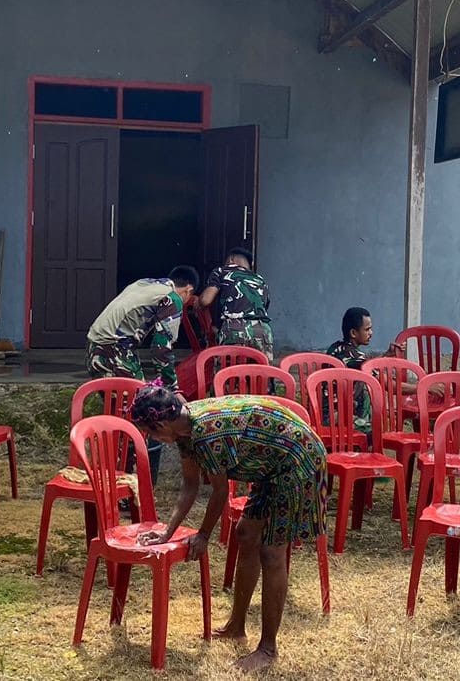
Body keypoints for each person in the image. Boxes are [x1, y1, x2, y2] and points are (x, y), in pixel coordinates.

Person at [131, 386, 327, 674]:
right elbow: (190, 485)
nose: (151, 438)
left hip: (298, 463)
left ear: (160, 424)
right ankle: (237, 626)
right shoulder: (183, 429)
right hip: (271, 468)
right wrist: (167, 533)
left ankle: (267, 649)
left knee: (272, 553)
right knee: (246, 534)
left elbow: (220, 492)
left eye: (149, 433)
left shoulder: (207, 433)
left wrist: (204, 535)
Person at [86, 266, 199, 390]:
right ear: (189, 290)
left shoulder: (144, 283)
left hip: (93, 347)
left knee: (118, 405)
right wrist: (172, 387)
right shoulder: (172, 298)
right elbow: (161, 348)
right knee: (141, 402)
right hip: (114, 351)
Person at [325, 307, 405, 432]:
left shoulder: (337, 348)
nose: (371, 333)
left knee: (363, 384)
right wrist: (422, 388)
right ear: (353, 333)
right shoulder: (351, 357)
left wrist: (386, 355)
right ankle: (365, 447)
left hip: (326, 411)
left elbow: (366, 365)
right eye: (367, 329)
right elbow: (386, 383)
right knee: (373, 430)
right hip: (331, 416)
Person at [197, 247, 272, 358]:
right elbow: (264, 306)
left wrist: (198, 302)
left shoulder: (222, 271)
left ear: (231, 259)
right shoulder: (259, 279)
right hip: (263, 330)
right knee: (259, 373)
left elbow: (206, 300)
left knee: (226, 373)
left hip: (234, 328)